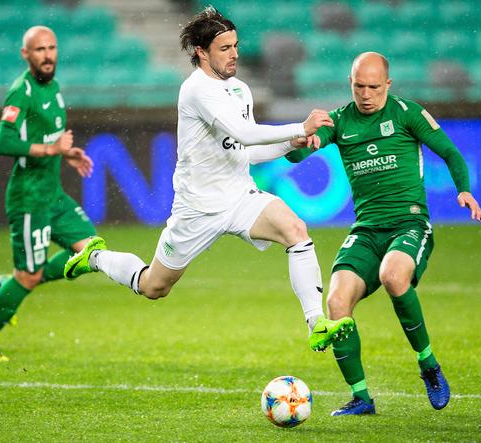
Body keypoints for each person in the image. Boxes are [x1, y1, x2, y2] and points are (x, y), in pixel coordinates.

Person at [63, 7, 354, 351]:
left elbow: (242, 150)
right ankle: (95, 257)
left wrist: (290, 143)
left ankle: (315, 323)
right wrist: (298, 127)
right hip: (197, 208)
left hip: (240, 196)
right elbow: (244, 133)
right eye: (224, 49)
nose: (234, 55)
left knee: (296, 231)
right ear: (202, 53)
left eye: (235, 46)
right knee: (154, 286)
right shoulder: (196, 90)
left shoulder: (240, 90)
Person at [286, 52, 481, 415]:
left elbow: (451, 153)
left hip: (409, 224)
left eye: (374, 87)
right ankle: (361, 398)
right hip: (366, 229)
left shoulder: (407, 113)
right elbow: (297, 157)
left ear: (387, 85)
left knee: (393, 275)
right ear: (351, 84)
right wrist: (301, 140)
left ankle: (428, 364)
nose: (366, 94)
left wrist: (464, 188)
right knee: (336, 303)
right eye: (359, 86)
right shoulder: (340, 120)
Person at [0, 26, 95, 362]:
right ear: (26, 54)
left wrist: (67, 154)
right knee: (31, 274)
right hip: (29, 199)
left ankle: (11, 284)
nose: (47, 54)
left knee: (90, 251)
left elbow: (49, 136)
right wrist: (52, 150)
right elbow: (3, 142)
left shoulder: (54, 87)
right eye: (39, 49)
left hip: (53, 195)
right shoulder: (20, 93)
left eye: (52, 47)